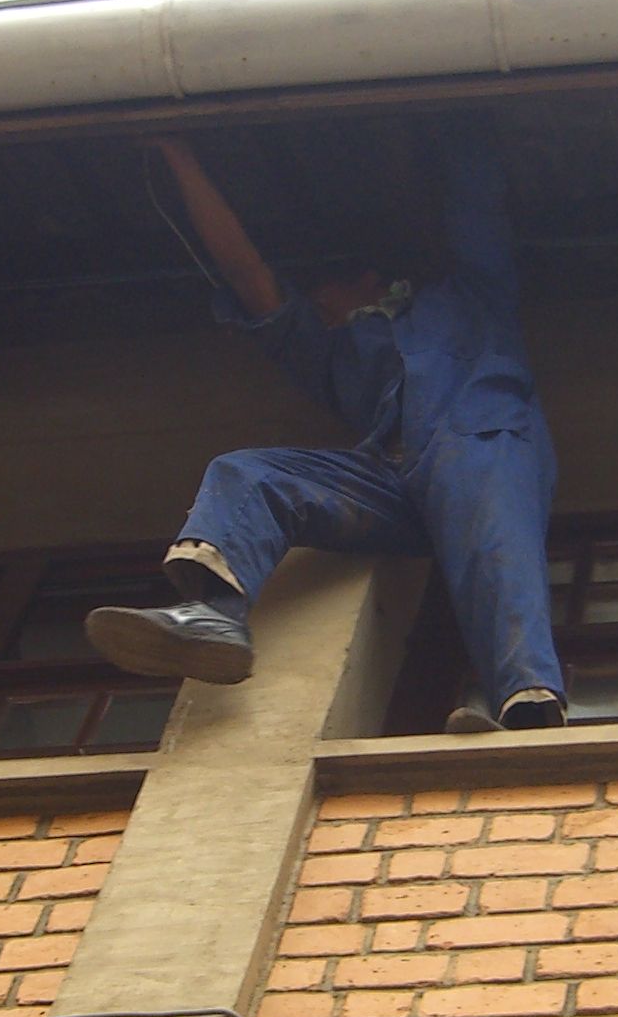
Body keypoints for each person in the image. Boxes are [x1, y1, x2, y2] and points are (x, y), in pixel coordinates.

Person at [84, 131, 568, 731]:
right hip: (389, 483)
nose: (312, 308)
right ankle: (215, 616)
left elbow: (477, 209)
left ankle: (528, 709)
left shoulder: (468, 299)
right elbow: (246, 271)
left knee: (498, 549)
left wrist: (458, 120)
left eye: (319, 295)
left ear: (367, 279)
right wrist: (177, 155)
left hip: (480, 445)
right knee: (248, 472)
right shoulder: (330, 352)